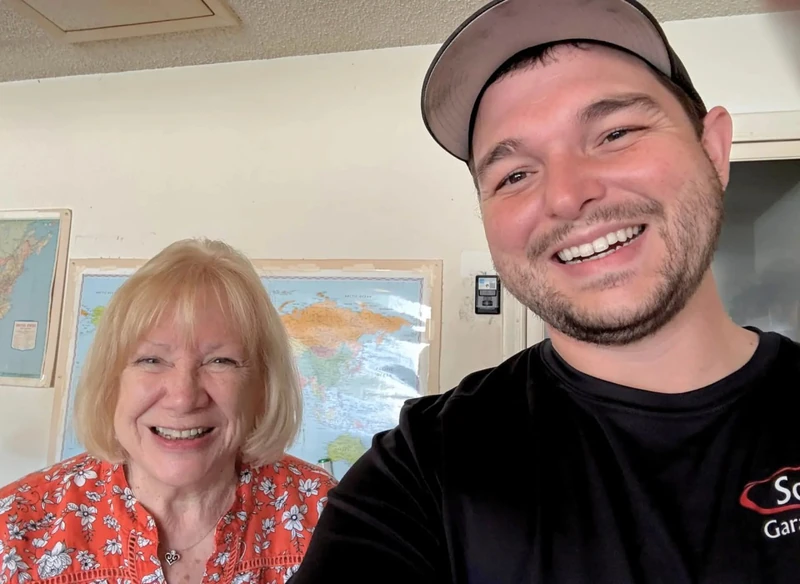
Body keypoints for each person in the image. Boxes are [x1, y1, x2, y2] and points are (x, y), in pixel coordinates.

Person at [289, 0, 800, 582]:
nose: (566, 194)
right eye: (514, 175)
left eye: (615, 132)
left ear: (714, 148)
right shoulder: (420, 472)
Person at [0, 238, 335, 584]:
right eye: (151, 360)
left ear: (262, 386)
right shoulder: (13, 530)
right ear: (111, 382)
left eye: (220, 361)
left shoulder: (331, 519)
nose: (183, 398)